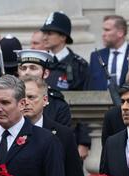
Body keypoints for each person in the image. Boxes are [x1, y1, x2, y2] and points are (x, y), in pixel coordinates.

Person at [40, 11, 92, 160]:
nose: (45, 37)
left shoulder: (78, 65)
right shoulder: (41, 63)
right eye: (44, 32)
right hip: (43, 133)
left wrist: (83, 142)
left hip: (70, 134)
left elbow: (87, 105)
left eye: (49, 33)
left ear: (63, 36)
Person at [87, 15, 129, 90]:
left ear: (120, 33)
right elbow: (90, 87)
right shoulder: (96, 56)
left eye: (107, 30)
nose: (103, 34)